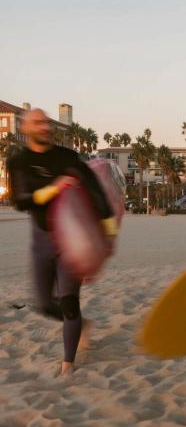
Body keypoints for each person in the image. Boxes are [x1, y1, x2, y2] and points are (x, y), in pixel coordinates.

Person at [8, 109, 118, 376]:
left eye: (46, 122)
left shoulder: (67, 157)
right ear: (26, 128)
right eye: (38, 122)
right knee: (44, 303)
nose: (44, 126)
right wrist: (54, 189)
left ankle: (68, 364)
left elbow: (96, 193)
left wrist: (110, 233)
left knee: (69, 302)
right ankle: (83, 325)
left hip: (73, 240)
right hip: (41, 241)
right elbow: (21, 200)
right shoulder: (19, 162)